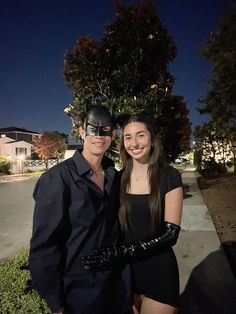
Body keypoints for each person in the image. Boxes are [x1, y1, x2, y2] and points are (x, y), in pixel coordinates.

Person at [29, 105, 132, 314]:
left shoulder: (114, 175)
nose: (99, 135)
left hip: (115, 288)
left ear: (113, 134)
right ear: (82, 131)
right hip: (78, 295)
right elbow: (44, 245)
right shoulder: (57, 178)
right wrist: (56, 304)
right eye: (93, 128)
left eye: (106, 130)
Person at [81, 112, 183, 314]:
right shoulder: (118, 179)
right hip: (126, 273)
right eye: (128, 137)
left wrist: (122, 252)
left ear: (152, 139)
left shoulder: (169, 176)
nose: (134, 143)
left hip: (159, 272)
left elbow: (171, 234)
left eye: (140, 135)